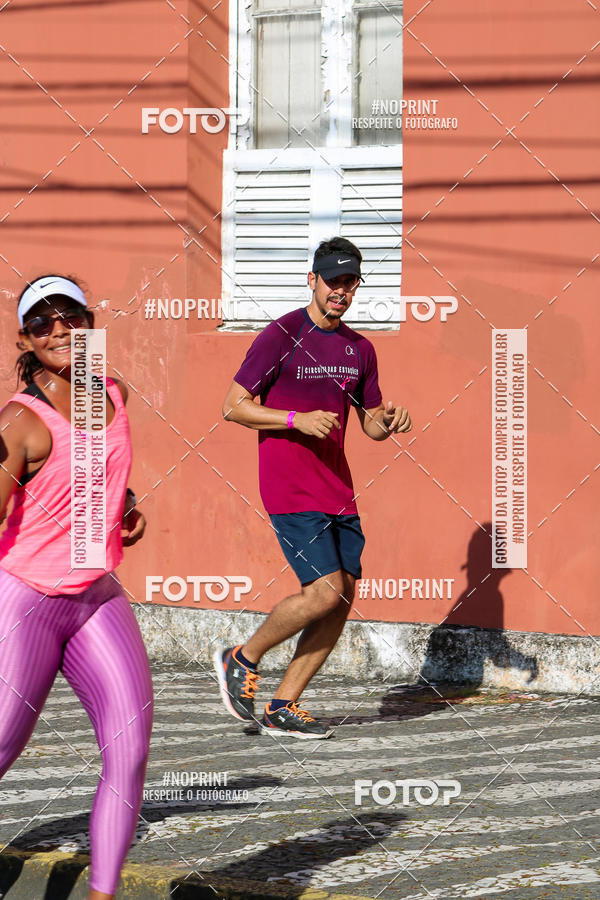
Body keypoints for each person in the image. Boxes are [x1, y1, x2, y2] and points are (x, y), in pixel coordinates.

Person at [214, 237, 412, 739]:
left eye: (350, 282)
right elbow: (233, 406)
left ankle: (285, 705)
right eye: (333, 281)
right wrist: (294, 419)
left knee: (341, 596)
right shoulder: (282, 334)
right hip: (289, 485)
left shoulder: (359, 349)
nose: (341, 291)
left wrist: (390, 420)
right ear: (313, 280)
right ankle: (243, 657)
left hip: (337, 487)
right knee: (324, 591)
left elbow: (368, 424)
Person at [0, 275, 154, 900]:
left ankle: (102, 895)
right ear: (25, 339)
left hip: (95, 595)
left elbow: (101, 472)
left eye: (71, 318)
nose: (60, 331)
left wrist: (126, 505)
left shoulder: (107, 391)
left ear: (90, 322)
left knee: (131, 743)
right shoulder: (19, 421)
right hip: (27, 599)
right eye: (43, 323)